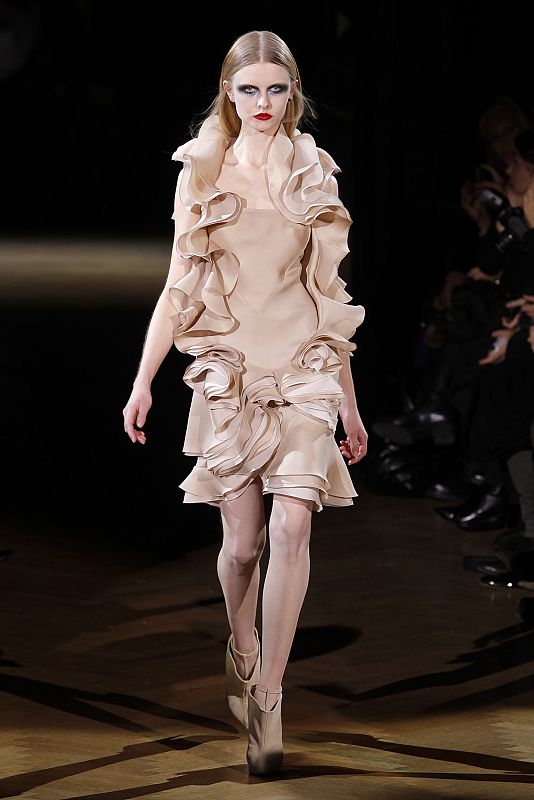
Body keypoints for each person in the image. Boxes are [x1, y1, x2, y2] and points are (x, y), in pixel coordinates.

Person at [122, 30, 367, 775]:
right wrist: (143, 379)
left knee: (294, 525)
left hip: (301, 365)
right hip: (229, 368)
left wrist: (350, 405)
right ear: (228, 92)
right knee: (242, 545)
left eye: (276, 89)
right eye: (249, 89)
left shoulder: (315, 168)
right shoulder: (201, 171)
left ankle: (269, 696)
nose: (264, 102)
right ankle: (243, 646)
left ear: (294, 93)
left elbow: (328, 295)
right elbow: (177, 284)